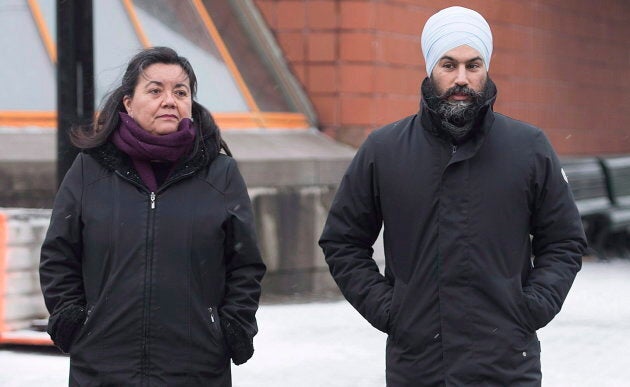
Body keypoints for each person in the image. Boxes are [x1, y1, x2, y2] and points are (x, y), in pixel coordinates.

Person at [319, 6, 586, 386]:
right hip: (419, 366)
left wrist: (531, 306)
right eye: (449, 64)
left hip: (506, 365)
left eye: (473, 65)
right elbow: (342, 241)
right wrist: (391, 310)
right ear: (430, 68)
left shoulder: (528, 147)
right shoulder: (385, 149)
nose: (462, 78)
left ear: (486, 68)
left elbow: (563, 239)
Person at [40, 46, 266, 386]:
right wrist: (72, 319)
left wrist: (232, 327)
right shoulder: (89, 170)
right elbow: (59, 255)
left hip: (196, 367)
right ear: (128, 103)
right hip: (102, 366)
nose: (169, 100)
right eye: (155, 90)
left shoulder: (221, 174)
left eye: (180, 91)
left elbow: (245, 264)